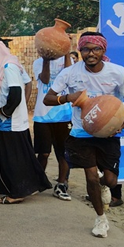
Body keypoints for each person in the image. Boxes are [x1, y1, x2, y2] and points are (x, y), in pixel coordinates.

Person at [45, 32, 124, 238]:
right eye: (85, 49)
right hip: (80, 133)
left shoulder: (118, 73)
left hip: (108, 133)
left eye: (95, 49)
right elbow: (48, 98)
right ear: (80, 51)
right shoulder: (70, 73)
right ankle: (101, 219)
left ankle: (105, 186)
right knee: (91, 176)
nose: (90, 53)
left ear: (103, 50)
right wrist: (68, 97)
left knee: (110, 180)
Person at [0, 40, 51, 204]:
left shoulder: (9, 68)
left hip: (11, 123)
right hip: (6, 123)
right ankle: (27, 185)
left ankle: (17, 192)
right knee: (18, 156)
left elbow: (15, 92)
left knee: (13, 158)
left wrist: (2, 111)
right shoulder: (4, 68)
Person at [33, 52, 73, 201]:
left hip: (64, 115)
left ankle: (61, 184)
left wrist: (67, 53)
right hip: (43, 115)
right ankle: (38, 182)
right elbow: (45, 78)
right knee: (43, 153)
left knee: (63, 153)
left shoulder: (68, 60)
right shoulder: (38, 62)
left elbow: (68, 75)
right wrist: (46, 59)